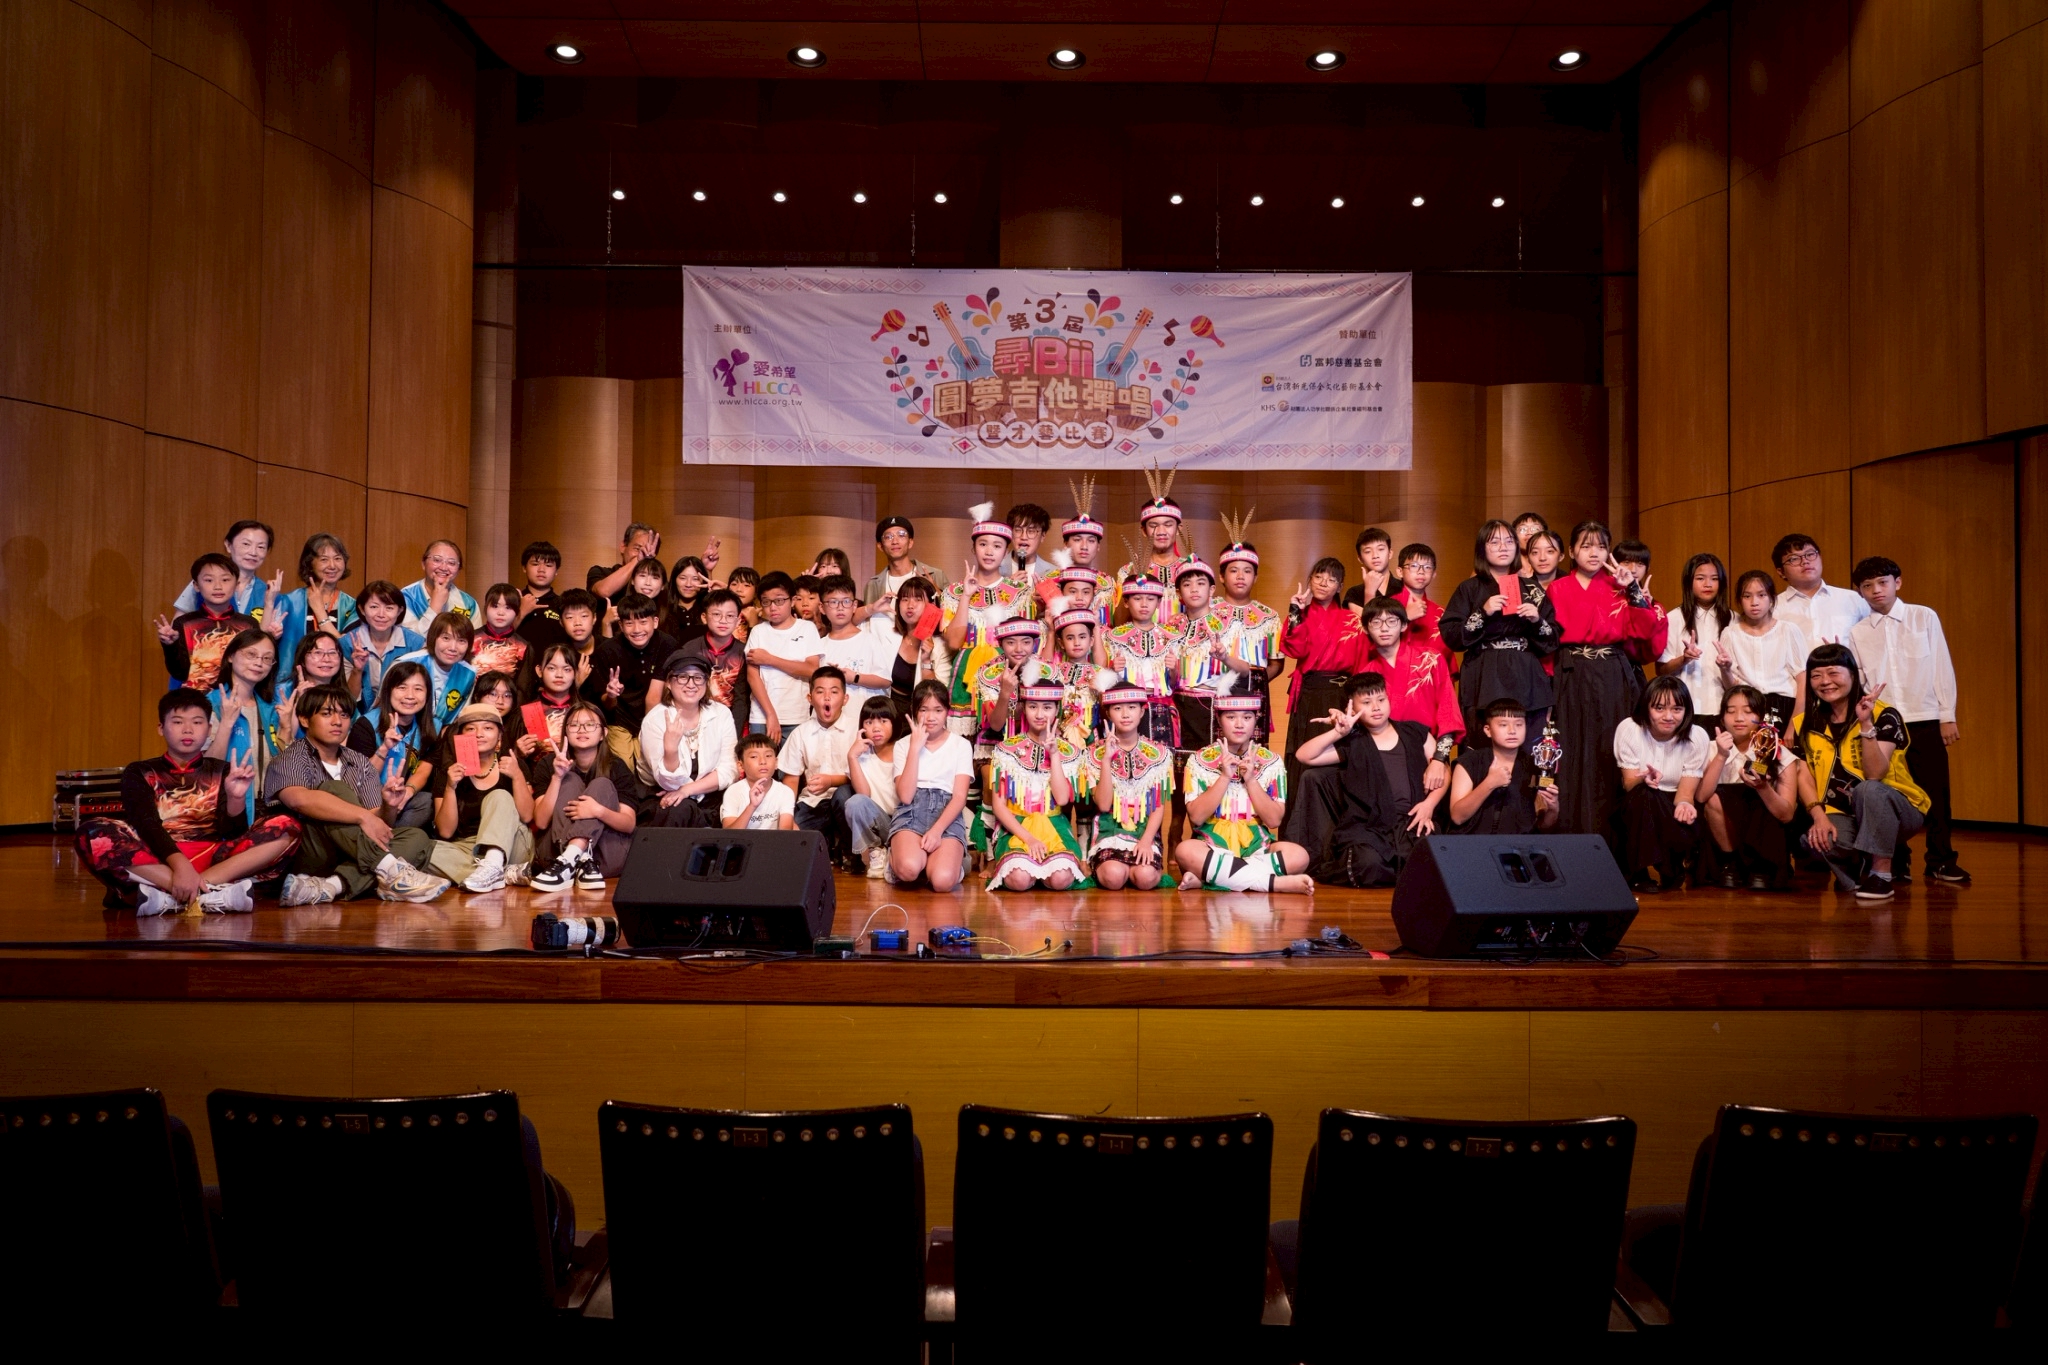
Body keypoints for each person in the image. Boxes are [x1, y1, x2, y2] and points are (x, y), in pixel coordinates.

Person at [75, 688, 300, 914]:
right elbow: (146, 824)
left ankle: (177, 894)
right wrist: (181, 866)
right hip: (158, 858)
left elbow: (233, 834)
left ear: (209, 729)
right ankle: (206, 893)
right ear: (161, 728)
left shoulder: (222, 770)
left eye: (197, 722)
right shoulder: (140, 771)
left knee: (287, 827)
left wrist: (236, 797)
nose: (188, 729)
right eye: (177, 722)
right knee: (92, 832)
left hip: (213, 859)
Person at [263, 682, 450, 904]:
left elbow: (378, 824)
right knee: (334, 789)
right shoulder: (291, 757)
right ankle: (391, 870)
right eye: (327, 714)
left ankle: (331, 886)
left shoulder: (359, 761)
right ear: (304, 720)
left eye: (344, 715)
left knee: (416, 838)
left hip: (353, 852)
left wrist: (388, 806)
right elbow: (298, 800)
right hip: (310, 852)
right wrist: (361, 816)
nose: (337, 721)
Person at [1849, 556, 1968, 883]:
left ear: (1897, 582)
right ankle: (1896, 861)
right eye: (1868, 586)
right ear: (1860, 592)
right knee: (1889, 791)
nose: (1876, 590)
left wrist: (1947, 714)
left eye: (1883, 582)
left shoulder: (1923, 616)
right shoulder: (1858, 632)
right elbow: (1860, 679)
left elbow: (1941, 665)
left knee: (1936, 794)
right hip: (1884, 723)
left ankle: (1941, 860)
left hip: (1924, 717)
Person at [1546, 520, 1666, 837]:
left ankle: (1614, 840)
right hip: (1571, 673)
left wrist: (1633, 590)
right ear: (1572, 551)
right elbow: (1548, 641)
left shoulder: (1619, 585)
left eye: (1601, 546)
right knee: (1571, 750)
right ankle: (1572, 836)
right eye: (1586, 546)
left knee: (1611, 748)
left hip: (1612, 672)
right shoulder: (1557, 588)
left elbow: (1645, 631)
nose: (1594, 553)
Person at [1792, 642, 1929, 901]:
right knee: (1814, 840)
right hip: (1841, 812)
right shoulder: (1805, 723)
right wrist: (1818, 816)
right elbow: (1804, 775)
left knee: (1869, 789)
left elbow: (1875, 773)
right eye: (1816, 675)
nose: (1825, 681)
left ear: (1853, 675)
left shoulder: (1884, 714)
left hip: (1897, 809)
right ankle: (1855, 873)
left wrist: (1866, 724)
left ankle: (1881, 875)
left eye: (1833, 673)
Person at [1292, 671, 1449, 886]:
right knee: (1367, 864)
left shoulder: (1415, 732)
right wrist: (1338, 733)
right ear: (1352, 708)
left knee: (1432, 864)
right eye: (1366, 702)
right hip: (1369, 826)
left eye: (1381, 700)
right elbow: (1304, 756)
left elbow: (1443, 772)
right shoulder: (1353, 741)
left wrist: (1429, 804)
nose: (1376, 707)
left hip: (1414, 819)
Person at [1173, 696, 1314, 894]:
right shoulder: (1198, 760)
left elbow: (1274, 821)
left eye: (1247, 717)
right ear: (1219, 719)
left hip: (1257, 848)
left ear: (1256, 720)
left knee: (1299, 856)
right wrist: (1224, 777)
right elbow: (1196, 818)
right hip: (1211, 847)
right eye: (1231, 717)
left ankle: (1211, 879)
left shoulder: (1272, 762)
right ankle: (1273, 884)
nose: (1239, 724)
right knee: (1185, 851)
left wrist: (1250, 779)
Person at [1438, 521, 1557, 749]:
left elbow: (1551, 640)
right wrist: (1482, 612)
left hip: (1524, 672)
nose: (1503, 547)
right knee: (1482, 743)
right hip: (1484, 672)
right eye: (1494, 542)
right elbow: (1452, 635)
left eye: (1509, 541)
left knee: (1529, 744)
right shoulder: (1469, 588)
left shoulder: (1532, 589)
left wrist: (1536, 620)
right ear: (1482, 549)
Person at [985, 681, 1089, 891]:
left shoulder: (1070, 752)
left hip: (1054, 826)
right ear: (1023, 709)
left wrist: (1054, 754)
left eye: (1047, 707)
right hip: (1017, 827)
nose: (1040, 714)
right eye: (1033, 706)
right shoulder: (1006, 751)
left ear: (1057, 710)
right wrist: (1029, 839)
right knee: (1019, 880)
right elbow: (999, 806)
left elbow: (1062, 799)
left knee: (1061, 879)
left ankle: (1042, 870)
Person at [1614, 674, 1713, 893]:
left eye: (1677, 709)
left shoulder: (1697, 736)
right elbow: (1629, 784)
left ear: (1686, 711)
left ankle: (1672, 866)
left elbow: (1685, 794)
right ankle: (1640, 874)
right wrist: (1643, 779)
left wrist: (1685, 805)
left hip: (1671, 803)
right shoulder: (1630, 729)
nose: (1668, 716)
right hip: (1636, 803)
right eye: (1659, 708)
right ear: (1646, 707)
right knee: (1645, 795)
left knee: (1675, 811)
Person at [941, 505, 1034, 735]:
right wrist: (966, 596)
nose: (989, 551)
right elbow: (954, 642)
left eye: (997, 546)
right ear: (973, 548)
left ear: (1006, 552)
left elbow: (1028, 645)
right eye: (983, 544)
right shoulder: (953, 592)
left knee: (1004, 734)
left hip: (1006, 671)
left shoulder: (1020, 593)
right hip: (965, 673)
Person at [529, 699, 638, 892]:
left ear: (603, 733)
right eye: (574, 725)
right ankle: (574, 858)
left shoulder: (616, 767)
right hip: (555, 853)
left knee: (602, 784)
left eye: (590, 725)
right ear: (565, 732)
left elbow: (629, 824)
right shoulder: (549, 764)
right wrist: (557, 777)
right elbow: (542, 821)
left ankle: (570, 858)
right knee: (569, 780)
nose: (582, 730)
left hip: (603, 856)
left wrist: (598, 811)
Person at [427, 703, 536, 893]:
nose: (479, 734)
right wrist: (450, 787)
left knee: (499, 796)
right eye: (471, 729)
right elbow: (445, 831)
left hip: (513, 844)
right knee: (424, 850)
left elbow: (527, 816)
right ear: (460, 737)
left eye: (488, 728)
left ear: (499, 736)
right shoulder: (449, 773)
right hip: (469, 848)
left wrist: (517, 775)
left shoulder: (513, 765)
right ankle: (504, 873)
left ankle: (494, 865)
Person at [1701, 685, 1799, 890]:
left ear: (1761, 718)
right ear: (1722, 718)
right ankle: (1730, 863)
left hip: (1765, 840)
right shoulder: (1709, 749)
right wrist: (1721, 755)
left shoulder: (1779, 753)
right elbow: (1701, 797)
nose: (1739, 718)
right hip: (1724, 840)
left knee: (1755, 798)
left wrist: (1764, 788)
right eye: (1731, 711)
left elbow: (1787, 815)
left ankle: (1761, 865)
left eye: (1748, 711)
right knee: (1714, 797)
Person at [1280, 558, 1365, 795]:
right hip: (1308, 693)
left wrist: (1357, 702)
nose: (1323, 583)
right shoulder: (1302, 614)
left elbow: (1360, 663)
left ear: (1340, 587)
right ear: (1310, 580)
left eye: (1331, 579)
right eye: (1318, 577)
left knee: (1337, 751)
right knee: (1303, 751)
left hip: (1341, 695)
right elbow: (1294, 650)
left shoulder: (1352, 620)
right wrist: (1295, 611)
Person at [1082, 683, 1175, 890]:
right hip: (1109, 829)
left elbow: (1158, 805)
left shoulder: (1159, 754)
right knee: (1113, 877)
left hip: (1145, 831)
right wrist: (1106, 760)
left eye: (1132, 707)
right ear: (1108, 713)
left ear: (1142, 711)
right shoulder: (1093, 753)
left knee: (1145, 877)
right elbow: (1103, 804)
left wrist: (1146, 841)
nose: (1125, 714)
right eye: (1117, 708)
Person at [890, 680, 974, 891]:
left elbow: (959, 797)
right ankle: (896, 859)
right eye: (923, 710)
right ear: (914, 711)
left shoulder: (961, 745)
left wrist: (937, 831)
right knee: (908, 870)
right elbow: (905, 796)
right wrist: (915, 748)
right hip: (912, 810)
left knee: (942, 881)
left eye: (938, 710)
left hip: (947, 813)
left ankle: (951, 863)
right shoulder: (902, 745)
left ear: (947, 712)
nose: (930, 717)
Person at [640, 653, 737, 827]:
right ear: (668, 683)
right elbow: (668, 783)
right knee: (679, 808)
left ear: (706, 683)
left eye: (698, 678)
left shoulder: (721, 714)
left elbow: (729, 770)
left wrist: (687, 790)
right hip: (665, 797)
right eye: (682, 677)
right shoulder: (655, 720)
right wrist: (671, 750)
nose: (691, 684)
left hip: (710, 796)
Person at [581, 592, 676, 768]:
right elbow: (606, 705)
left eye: (643, 622)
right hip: (618, 719)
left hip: (653, 715)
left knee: (651, 765)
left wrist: (650, 731)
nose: (637, 629)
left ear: (655, 622)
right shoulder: (607, 651)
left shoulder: (666, 644)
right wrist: (611, 695)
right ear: (621, 626)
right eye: (629, 623)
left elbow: (654, 697)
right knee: (623, 766)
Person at [1445, 696, 1560, 835]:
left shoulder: (1536, 765)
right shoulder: (1470, 761)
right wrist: (1489, 783)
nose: (1512, 731)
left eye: (1519, 724)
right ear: (1488, 730)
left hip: (1518, 846)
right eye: (1503, 725)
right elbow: (1457, 817)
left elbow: (1542, 828)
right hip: (1472, 843)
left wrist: (1553, 810)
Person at [778, 666, 859, 863]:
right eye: (820, 692)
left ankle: (850, 851)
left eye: (834, 692)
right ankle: (828, 844)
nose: (827, 698)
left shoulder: (856, 729)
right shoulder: (801, 733)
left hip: (846, 798)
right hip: (813, 801)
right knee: (795, 843)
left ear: (845, 699)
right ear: (810, 698)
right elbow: (791, 781)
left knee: (843, 795)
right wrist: (788, 816)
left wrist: (831, 781)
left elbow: (865, 775)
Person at [1355, 596, 1462, 743]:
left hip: (1430, 746)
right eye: (1376, 622)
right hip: (1386, 749)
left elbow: (1448, 709)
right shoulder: (1366, 674)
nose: (1384, 628)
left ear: (1404, 625)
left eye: (1392, 621)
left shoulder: (1431, 659)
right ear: (1365, 628)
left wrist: (1441, 753)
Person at [347, 659, 438, 828]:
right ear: (388, 691)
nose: (410, 695)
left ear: (427, 694)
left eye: (418, 689)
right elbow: (358, 780)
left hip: (402, 799)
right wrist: (384, 748)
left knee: (426, 801)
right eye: (402, 687)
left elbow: (424, 768)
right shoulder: (366, 725)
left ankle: (390, 836)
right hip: (370, 799)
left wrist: (407, 792)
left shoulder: (433, 727)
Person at [205, 629, 282, 824]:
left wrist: (289, 727)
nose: (259, 663)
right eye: (251, 654)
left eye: (267, 658)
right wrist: (226, 723)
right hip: (226, 809)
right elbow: (207, 769)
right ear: (231, 656)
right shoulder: (210, 704)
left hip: (270, 809)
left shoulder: (272, 708)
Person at [1215, 525, 1283, 743]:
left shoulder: (1269, 617)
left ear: (1255, 577)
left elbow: (1276, 664)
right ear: (1222, 576)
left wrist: (1253, 683)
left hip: (1253, 697)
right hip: (1214, 693)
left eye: (1247, 571)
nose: (1240, 576)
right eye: (1233, 570)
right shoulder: (1208, 613)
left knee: (1253, 754)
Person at [1717, 569, 1809, 727]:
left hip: (1785, 705)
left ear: (1772, 599)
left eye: (1761, 595)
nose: (1754, 602)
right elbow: (1730, 687)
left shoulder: (1788, 630)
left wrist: (1794, 724)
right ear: (1739, 600)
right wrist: (1725, 670)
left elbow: (1803, 680)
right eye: (1747, 596)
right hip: (1747, 707)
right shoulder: (1730, 633)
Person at [157, 553, 260, 692]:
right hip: (197, 699)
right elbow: (179, 673)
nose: (218, 586)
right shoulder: (184, 623)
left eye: (225, 580)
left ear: (236, 584)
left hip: (238, 696)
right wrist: (170, 645)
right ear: (196, 585)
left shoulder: (249, 624)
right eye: (209, 580)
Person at [266, 534, 357, 681]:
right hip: (291, 682)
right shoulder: (289, 601)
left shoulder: (352, 606)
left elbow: (348, 650)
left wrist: (319, 611)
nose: (332, 565)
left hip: (335, 684)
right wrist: (273, 635)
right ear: (310, 563)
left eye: (338, 558)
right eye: (324, 559)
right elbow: (266, 642)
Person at [744, 571, 820, 744]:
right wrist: (770, 714)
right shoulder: (758, 631)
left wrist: (770, 659)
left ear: (792, 601)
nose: (772, 607)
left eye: (779, 601)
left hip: (796, 714)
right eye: (766, 602)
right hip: (761, 716)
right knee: (760, 760)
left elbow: (812, 669)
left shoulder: (806, 628)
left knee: (794, 762)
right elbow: (753, 677)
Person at [1658, 553, 1732, 726]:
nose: (1708, 584)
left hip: (1724, 707)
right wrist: (1684, 659)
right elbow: (1661, 670)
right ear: (1689, 582)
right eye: (1700, 578)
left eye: (1714, 579)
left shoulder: (1733, 619)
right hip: (1684, 706)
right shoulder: (1674, 618)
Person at [1103, 578, 1178, 748]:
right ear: (1126, 602)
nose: (1144, 604)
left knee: (1160, 754)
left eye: (1150, 599)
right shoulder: (1113, 637)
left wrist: (1173, 670)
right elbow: (1105, 681)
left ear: (1159, 602)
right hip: (1127, 707)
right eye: (1137, 598)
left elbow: (1174, 683)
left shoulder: (1170, 636)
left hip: (1160, 706)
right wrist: (1112, 670)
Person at [1171, 557, 1233, 760]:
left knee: (1208, 761)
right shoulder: (1171, 627)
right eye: (1187, 584)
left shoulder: (1227, 624)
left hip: (1209, 703)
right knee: (1179, 761)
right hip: (1178, 702)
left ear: (1212, 589)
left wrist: (1225, 657)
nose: (1194, 589)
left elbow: (1243, 669)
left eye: (1200, 583)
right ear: (1179, 593)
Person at [1771, 533, 1869, 646]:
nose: (1805, 561)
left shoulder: (1854, 599)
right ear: (1781, 572)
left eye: (1810, 554)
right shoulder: (1773, 608)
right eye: (1794, 559)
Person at [844, 696, 905, 878]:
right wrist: (852, 757)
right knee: (854, 802)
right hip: (881, 822)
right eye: (869, 722)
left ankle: (894, 854)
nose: (876, 728)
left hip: (905, 822)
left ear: (894, 723)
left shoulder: (904, 749)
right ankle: (876, 850)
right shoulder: (862, 754)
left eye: (883, 721)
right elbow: (863, 795)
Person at [340, 579, 421, 714]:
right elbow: (349, 699)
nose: (381, 615)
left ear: (400, 611)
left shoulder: (416, 644)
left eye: (389, 608)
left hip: (402, 714)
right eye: (374, 607)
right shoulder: (347, 643)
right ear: (362, 609)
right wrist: (357, 670)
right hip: (357, 716)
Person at [674, 588, 751, 726]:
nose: (723, 620)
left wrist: (733, 731)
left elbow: (741, 700)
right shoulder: (690, 649)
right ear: (704, 617)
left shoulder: (743, 652)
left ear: (738, 620)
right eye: (716, 614)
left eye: (730, 616)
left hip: (729, 721)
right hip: (693, 718)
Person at [173, 519, 276, 618]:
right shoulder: (204, 582)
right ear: (228, 545)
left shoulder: (268, 592)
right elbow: (178, 624)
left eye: (261, 547)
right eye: (246, 544)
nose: (253, 552)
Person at [816, 574, 892, 709]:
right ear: (822, 608)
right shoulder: (819, 646)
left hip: (863, 715)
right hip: (830, 717)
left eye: (846, 601)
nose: (840, 607)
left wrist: (855, 678)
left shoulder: (869, 640)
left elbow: (885, 680)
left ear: (854, 605)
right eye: (833, 602)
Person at [393, 611, 478, 730]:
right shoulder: (405, 663)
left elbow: (459, 717)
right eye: (446, 638)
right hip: (397, 728)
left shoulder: (469, 674)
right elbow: (382, 704)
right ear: (433, 638)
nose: (453, 648)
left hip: (439, 735)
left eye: (461, 641)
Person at [1042, 609, 1112, 751]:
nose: (1076, 642)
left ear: (1091, 641)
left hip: (1092, 737)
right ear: (1061, 643)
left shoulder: (1099, 673)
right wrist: (1051, 632)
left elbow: (1108, 714)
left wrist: (1100, 693)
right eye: (1070, 638)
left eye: (1082, 637)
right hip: (1060, 736)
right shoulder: (1057, 671)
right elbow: (1044, 667)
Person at [1115, 482, 1185, 616]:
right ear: (1143, 530)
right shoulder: (1127, 571)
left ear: (1178, 529)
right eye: (1153, 525)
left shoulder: (1190, 569)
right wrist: (1132, 580)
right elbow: (1119, 621)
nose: (1161, 531)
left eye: (1168, 525)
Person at [863, 515, 950, 610]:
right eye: (888, 537)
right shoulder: (873, 584)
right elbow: (868, 618)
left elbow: (953, 611)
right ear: (880, 546)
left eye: (901, 535)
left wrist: (935, 590)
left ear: (910, 542)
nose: (895, 541)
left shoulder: (935, 575)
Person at [276, 630, 346, 743]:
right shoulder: (283, 691)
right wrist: (299, 701)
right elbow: (282, 743)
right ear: (302, 660)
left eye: (332, 653)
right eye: (318, 653)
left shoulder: (342, 694)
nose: (326, 659)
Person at [722, 733, 797, 830]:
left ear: (776, 762)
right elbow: (729, 835)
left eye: (768, 755)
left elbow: (785, 833)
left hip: (774, 840)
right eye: (754, 756)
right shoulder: (733, 792)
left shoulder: (785, 792)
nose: (763, 761)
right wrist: (752, 806)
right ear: (741, 766)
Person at [885, 576, 939, 709]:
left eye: (918, 599)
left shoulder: (940, 645)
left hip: (920, 712)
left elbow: (936, 696)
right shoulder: (889, 635)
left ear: (931, 605)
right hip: (888, 710)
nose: (910, 605)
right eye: (905, 599)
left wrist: (926, 660)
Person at [401, 540, 477, 631]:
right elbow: (409, 639)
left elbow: (475, 638)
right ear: (423, 564)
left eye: (451, 563)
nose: (443, 568)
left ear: (458, 569)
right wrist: (435, 607)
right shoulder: (406, 597)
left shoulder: (469, 603)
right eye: (437, 560)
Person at [1390, 542, 1447, 658]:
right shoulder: (1387, 606)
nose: (1421, 571)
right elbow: (1374, 646)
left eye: (1427, 567)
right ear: (1400, 571)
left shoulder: (1440, 613)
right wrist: (1405, 618)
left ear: (1434, 574)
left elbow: (1446, 657)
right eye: (1414, 566)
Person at [588, 522, 663, 608]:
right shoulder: (600, 572)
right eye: (637, 549)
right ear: (623, 547)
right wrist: (638, 559)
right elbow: (604, 591)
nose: (643, 554)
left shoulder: (655, 582)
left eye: (648, 551)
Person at [525, 643, 580, 754]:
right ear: (539, 671)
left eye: (567, 669)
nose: (559, 675)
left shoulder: (584, 711)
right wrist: (519, 752)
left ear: (575, 673)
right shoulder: (528, 712)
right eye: (552, 668)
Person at [513, 541, 568, 650]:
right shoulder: (513, 599)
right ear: (524, 567)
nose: (541, 570)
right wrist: (521, 613)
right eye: (535, 564)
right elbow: (496, 638)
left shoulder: (563, 604)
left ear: (556, 571)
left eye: (548, 565)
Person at [469, 584, 531, 680]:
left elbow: (523, 686)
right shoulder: (470, 639)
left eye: (508, 607)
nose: (501, 613)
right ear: (486, 608)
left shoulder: (523, 646)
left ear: (517, 612)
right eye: (495, 606)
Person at [660, 554, 715, 645]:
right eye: (683, 578)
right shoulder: (663, 608)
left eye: (695, 579)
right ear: (674, 579)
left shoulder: (708, 609)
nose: (688, 584)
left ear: (703, 581)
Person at [1341, 527, 1394, 617]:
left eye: (1381, 549)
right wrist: (1369, 592)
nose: (1375, 555)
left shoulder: (1403, 587)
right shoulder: (1354, 593)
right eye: (1368, 551)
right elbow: (1363, 623)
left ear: (1390, 553)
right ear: (1360, 558)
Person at [556, 588, 603, 687]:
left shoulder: (609, 648)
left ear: (594, 618)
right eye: (570, 617)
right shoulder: (557, 655)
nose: (577, 623)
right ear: (561, 622)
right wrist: (576, 684)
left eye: (584, 616)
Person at [612, 556, 670, 636]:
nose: (648, 583)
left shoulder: (670, 616)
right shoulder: (619, 610)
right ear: (632, 580)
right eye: (642, 576)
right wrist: (606, 623)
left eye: (655, 578)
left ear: (663, 585)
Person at [1007, 503, 1058, 583]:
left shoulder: (1053, 573)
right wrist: (1008, 586)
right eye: (1018, 530)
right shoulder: (995, 568)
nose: (1024, 537)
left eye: (1031, 531)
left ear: (1043, 536)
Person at [727, 566, 762, 638]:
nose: (739, 589)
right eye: (734, 584)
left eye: (746, 585)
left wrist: (753, 624)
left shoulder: (764, 624)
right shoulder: (720, 616)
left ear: (756, 592)